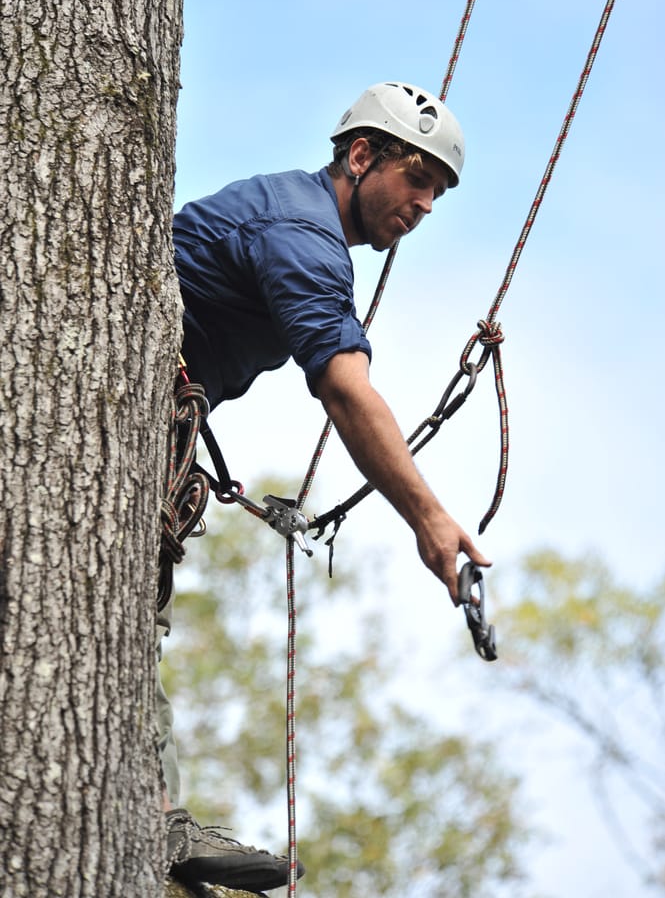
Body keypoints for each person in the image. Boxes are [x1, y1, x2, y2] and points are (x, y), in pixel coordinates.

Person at [161, 81, 491, 891]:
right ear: (360, 155)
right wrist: (429, 518)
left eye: (436, 194)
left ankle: (151, 815)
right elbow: (346, 390)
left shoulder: (296, 222)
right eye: (416, 179)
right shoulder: (302, 235)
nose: (422, 205)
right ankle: (152, 819)